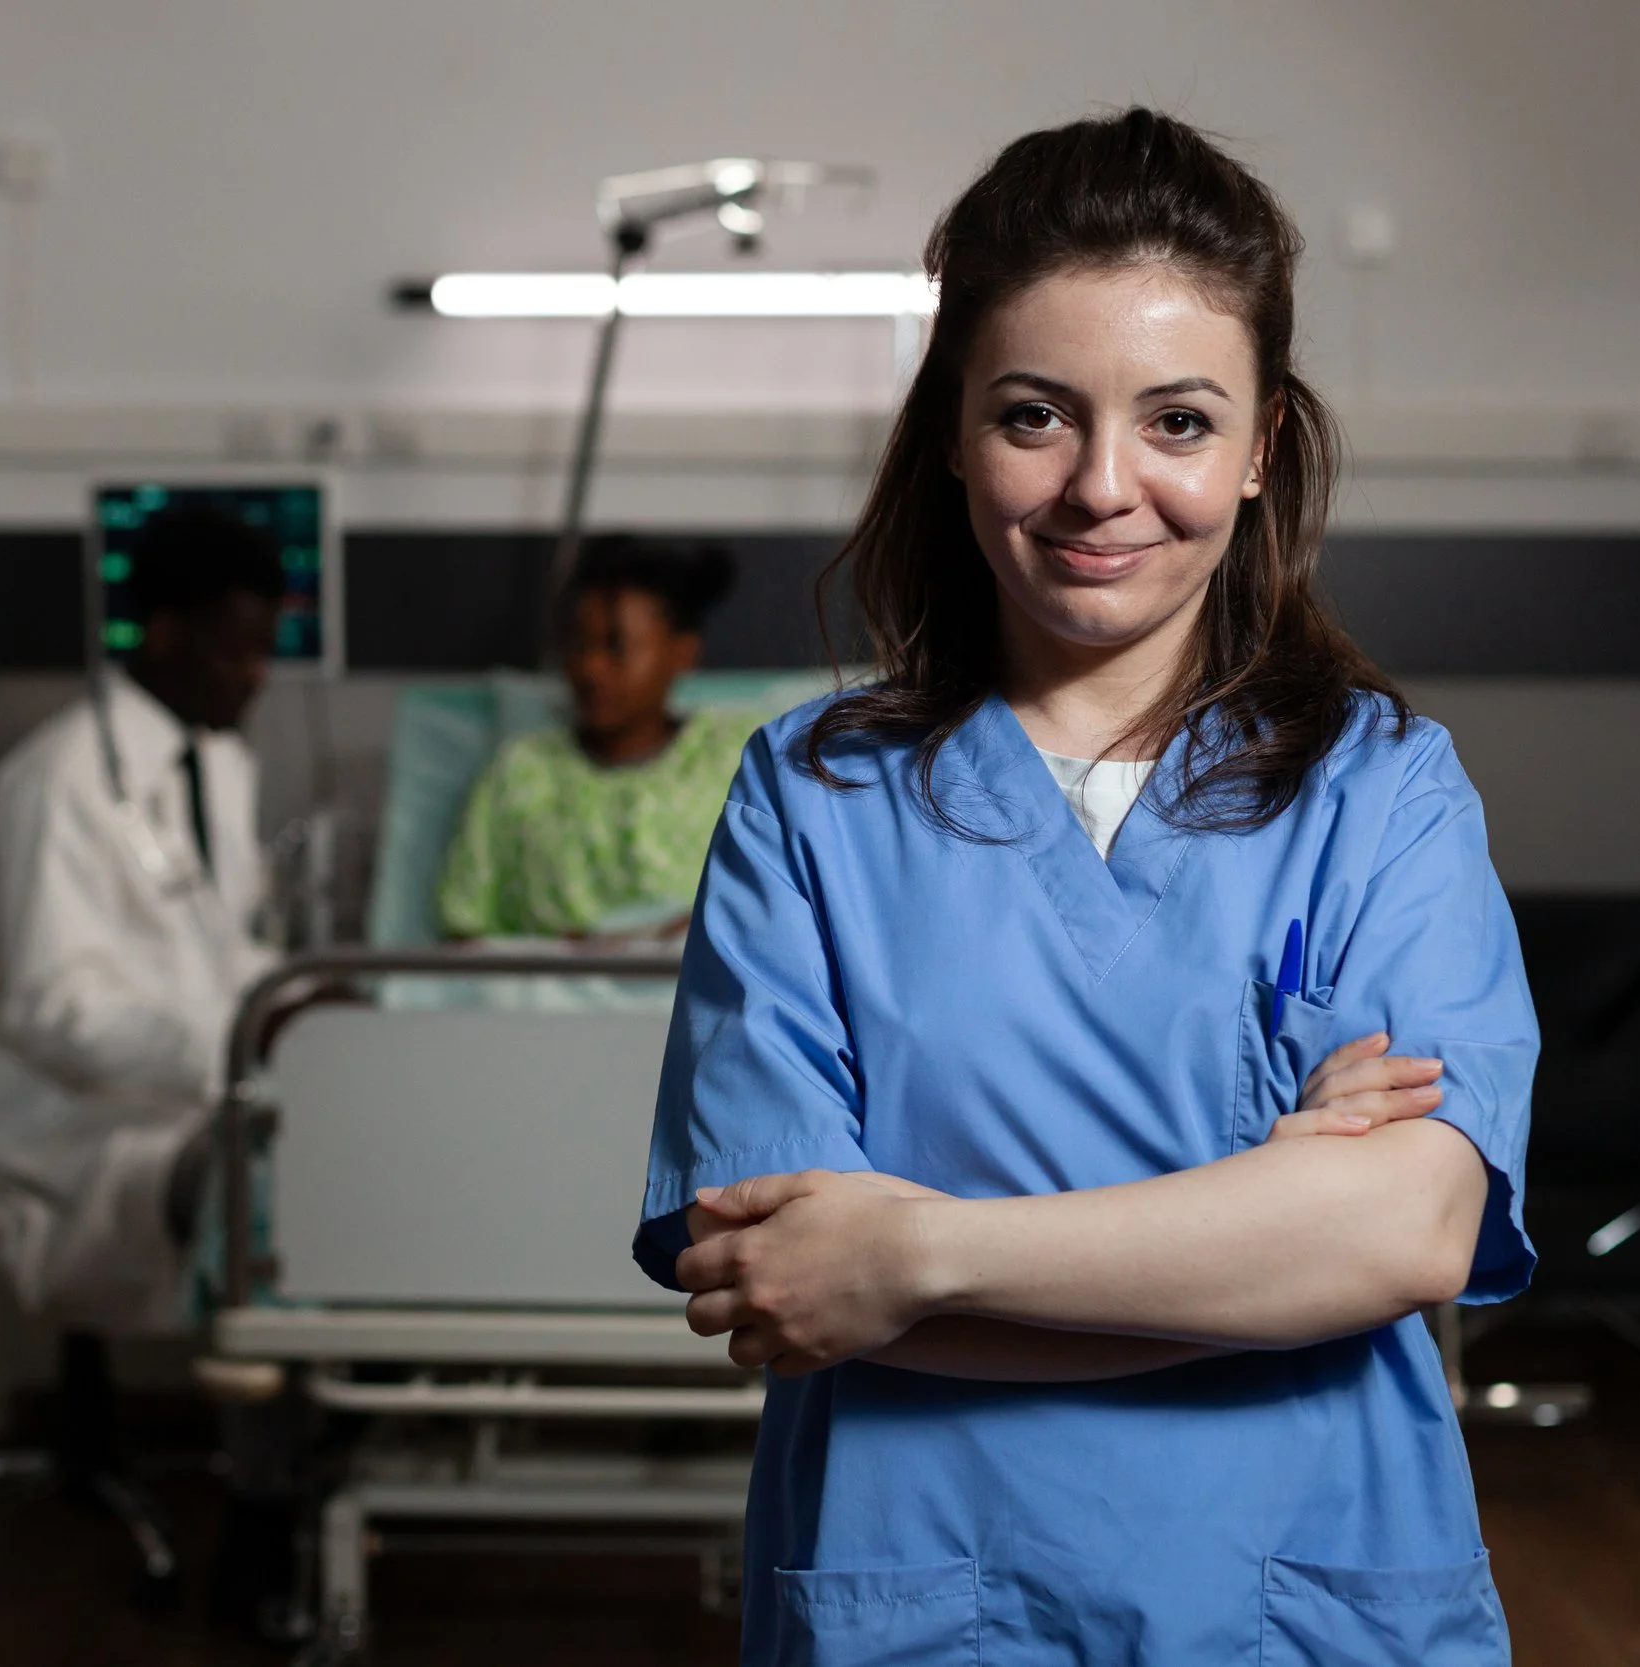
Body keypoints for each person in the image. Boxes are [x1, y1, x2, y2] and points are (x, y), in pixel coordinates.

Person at [636, 110, 1537, 1663]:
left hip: (1311, 1601)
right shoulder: (814, 798)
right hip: (929, 1597)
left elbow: (1405, 1231)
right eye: (1036, 416)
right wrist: (1265, 1233)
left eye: (1179, 422)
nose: (1102, 486)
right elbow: (783, 1278)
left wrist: (917, 1257)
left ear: (1262, 447)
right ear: (951, 429)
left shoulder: (1383, 789)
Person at [0, 502, 284, 1328]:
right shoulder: (55, 782)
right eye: (235, 649)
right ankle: (273, 1425)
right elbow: (50, 1008)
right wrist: (231, 1047)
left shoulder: (218, 761)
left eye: (263, 648)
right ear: (163, 634)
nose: (256, 675)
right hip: (64, 1114)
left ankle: (331, 1415)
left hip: (187, 1086)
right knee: (264, 1191)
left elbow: (220, 941)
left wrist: (292, 1003)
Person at [435, 537, 752, 940]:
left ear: (682, 653)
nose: (590, 668)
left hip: (689, 986)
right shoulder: (521, 771)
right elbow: (463, 930)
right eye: (578, 644)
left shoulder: (734, 759)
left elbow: (781, 909)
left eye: (616, 647)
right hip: (545, 995)